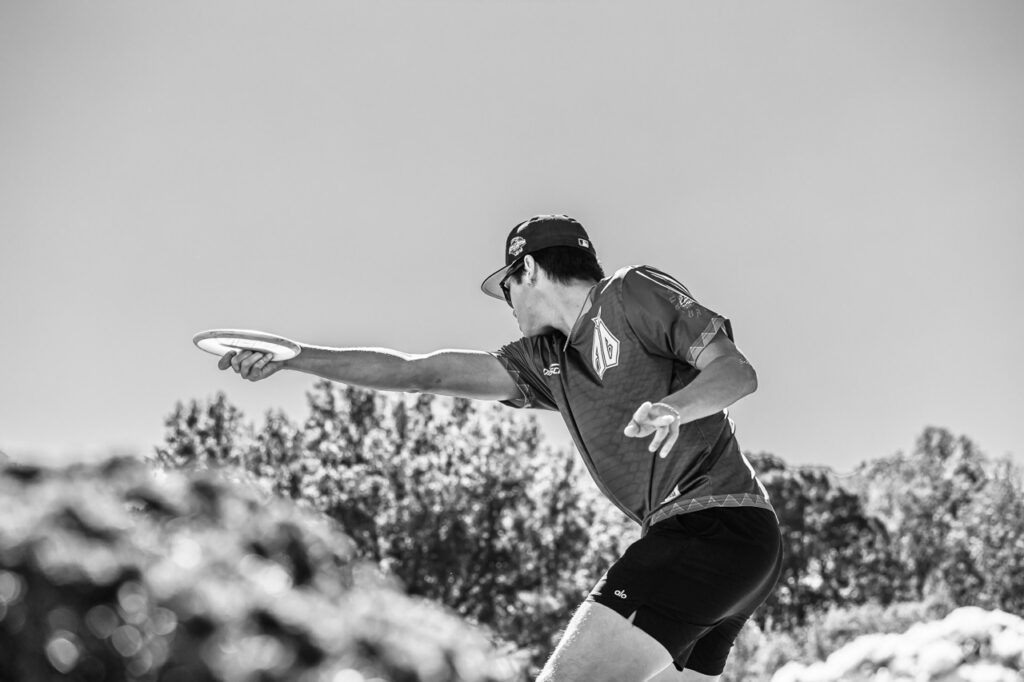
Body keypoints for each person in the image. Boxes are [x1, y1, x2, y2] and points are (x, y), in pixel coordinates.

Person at [218, 215, 782, 682]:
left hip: (711, 531)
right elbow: (421, 373)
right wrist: (296, 356)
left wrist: (675, 408)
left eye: (507, 288)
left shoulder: (629, 291)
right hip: (728, 549)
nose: (507, 303)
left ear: (528, 269)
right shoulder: (546, 360)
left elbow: (737, 372)